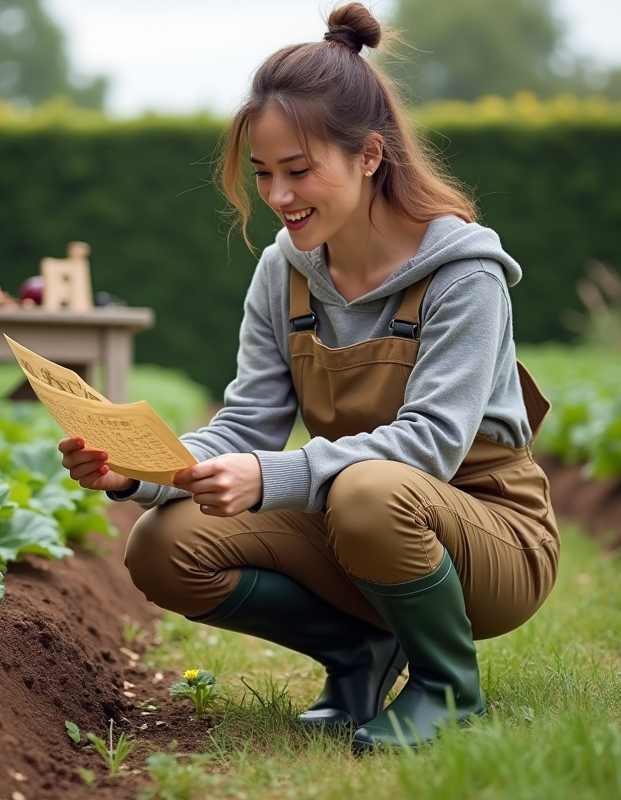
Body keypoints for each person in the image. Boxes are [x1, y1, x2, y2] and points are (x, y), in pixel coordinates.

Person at [57, 2, 560, 752]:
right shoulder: (283, 274)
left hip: (487, 537)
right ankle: (357, 652)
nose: (279, 197)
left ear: (368, 156)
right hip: (359, 516)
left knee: (368, 490)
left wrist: (272, 477)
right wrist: (133, 471)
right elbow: (244, 428)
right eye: (263, 174)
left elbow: (429, 448)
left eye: (299, 170)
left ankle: (447, 685)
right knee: (163, 546)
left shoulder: (465, 275)